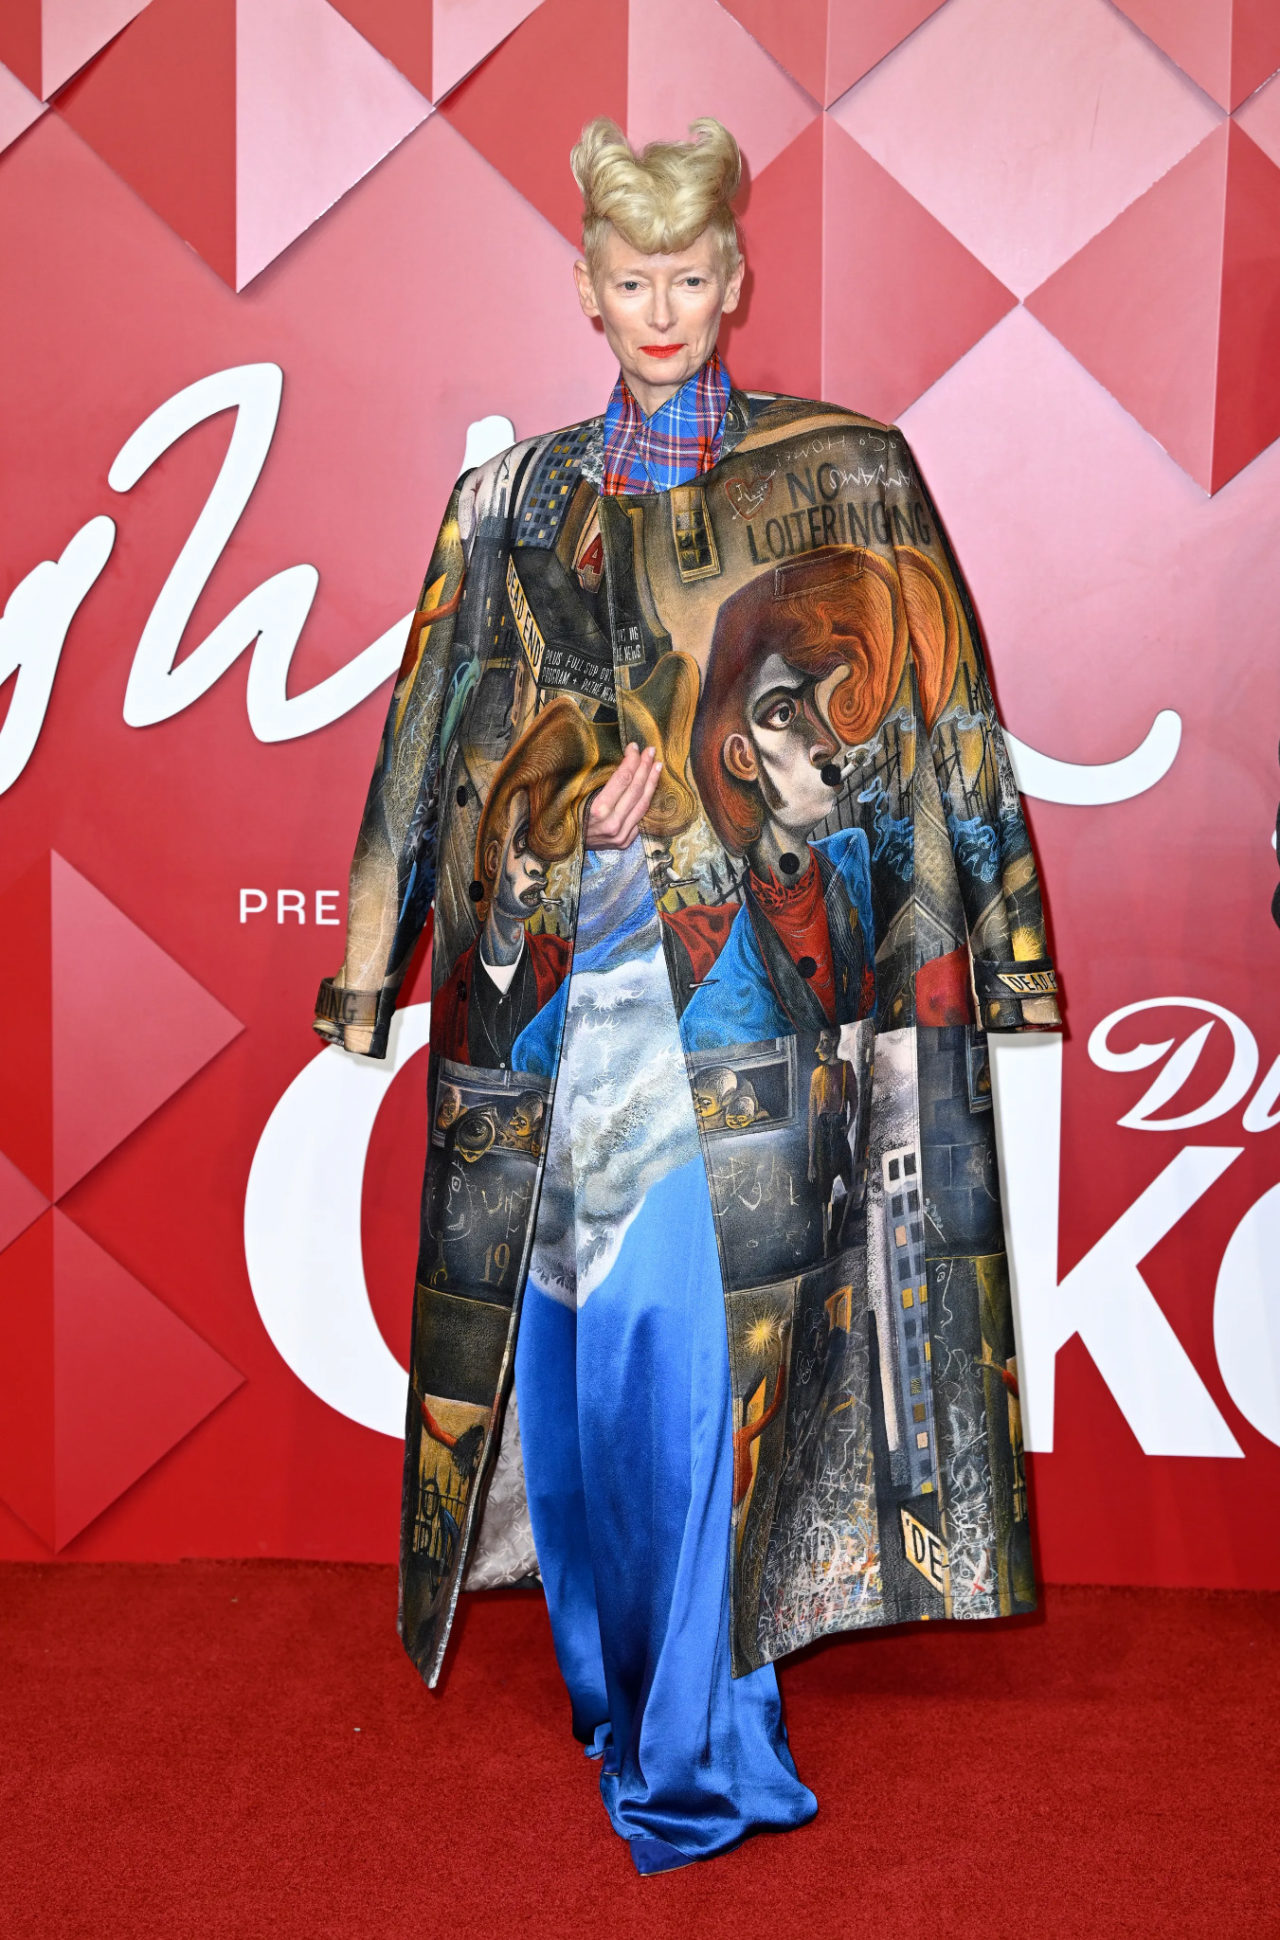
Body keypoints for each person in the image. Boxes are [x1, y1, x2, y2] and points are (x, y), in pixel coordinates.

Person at [314, 115, 1061, 1875]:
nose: (662, 307)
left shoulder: (851, 474)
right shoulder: (509, 505)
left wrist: (1003, 947)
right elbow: (428, 746)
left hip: (753, 1033)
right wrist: (510, 852)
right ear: (587, 289)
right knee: (579, 1403)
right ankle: (622, 1688)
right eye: (631, 277)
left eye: (691, 275)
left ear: (735, 281)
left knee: (698, 1377)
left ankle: (699, 1753)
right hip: (558, 1019)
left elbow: (945, 722)